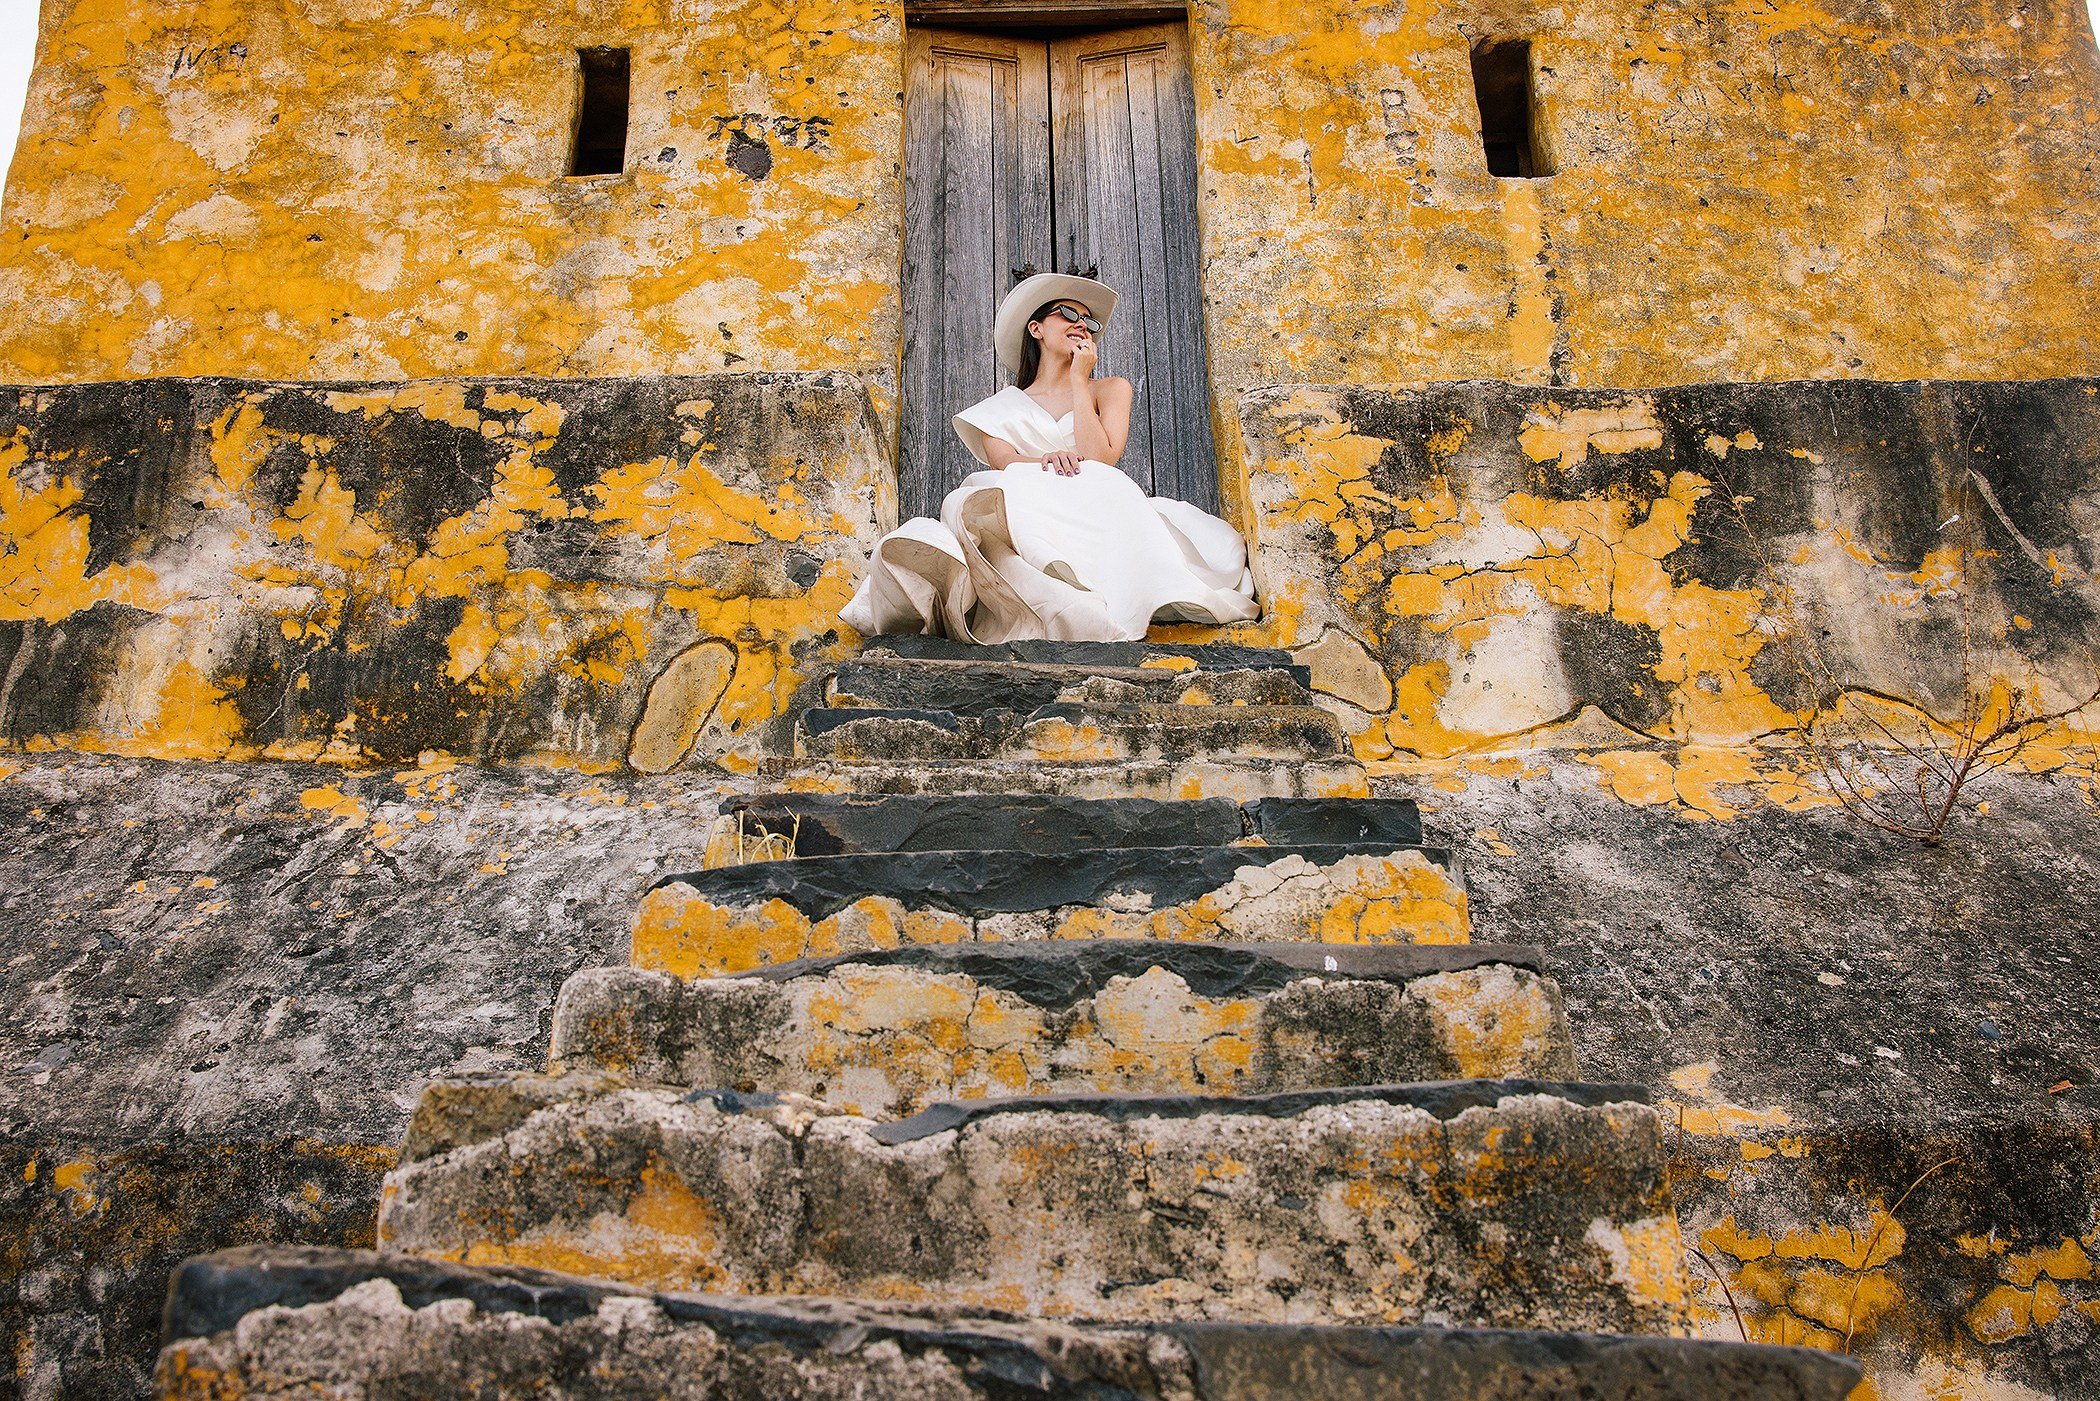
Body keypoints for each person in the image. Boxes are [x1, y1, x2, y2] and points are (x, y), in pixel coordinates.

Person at [840, 273, 1260, 643]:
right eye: (1068, 314)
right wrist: (1046, 460)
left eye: (1088, 321)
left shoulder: (1111, 389)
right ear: (1036, 328)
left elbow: (1100, 458)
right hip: (1031, 498)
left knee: (1109, 484)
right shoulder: (996, 410)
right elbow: (1004, 462)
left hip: (1095, 499)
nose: (1081, 324)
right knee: (981, 495)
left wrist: (1080, 380)